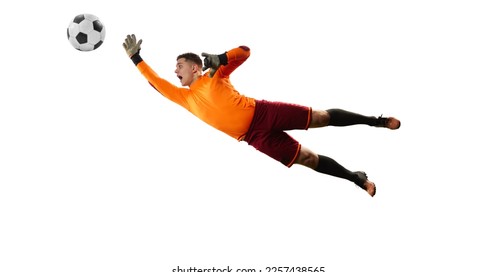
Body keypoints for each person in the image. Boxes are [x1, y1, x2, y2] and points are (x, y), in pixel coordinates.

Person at [122, 34, 400, 197]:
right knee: (307, 159)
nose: (175, 71)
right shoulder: (184, 97)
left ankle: (375, 121)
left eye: (180, 65)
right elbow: (157, 83)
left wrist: (222, 57)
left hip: (263, 113)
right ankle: (356, 178)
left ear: (196, 68)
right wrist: (136, 58)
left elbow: (245, 51)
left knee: (322, 118)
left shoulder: (213, 75)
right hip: (253, 137)